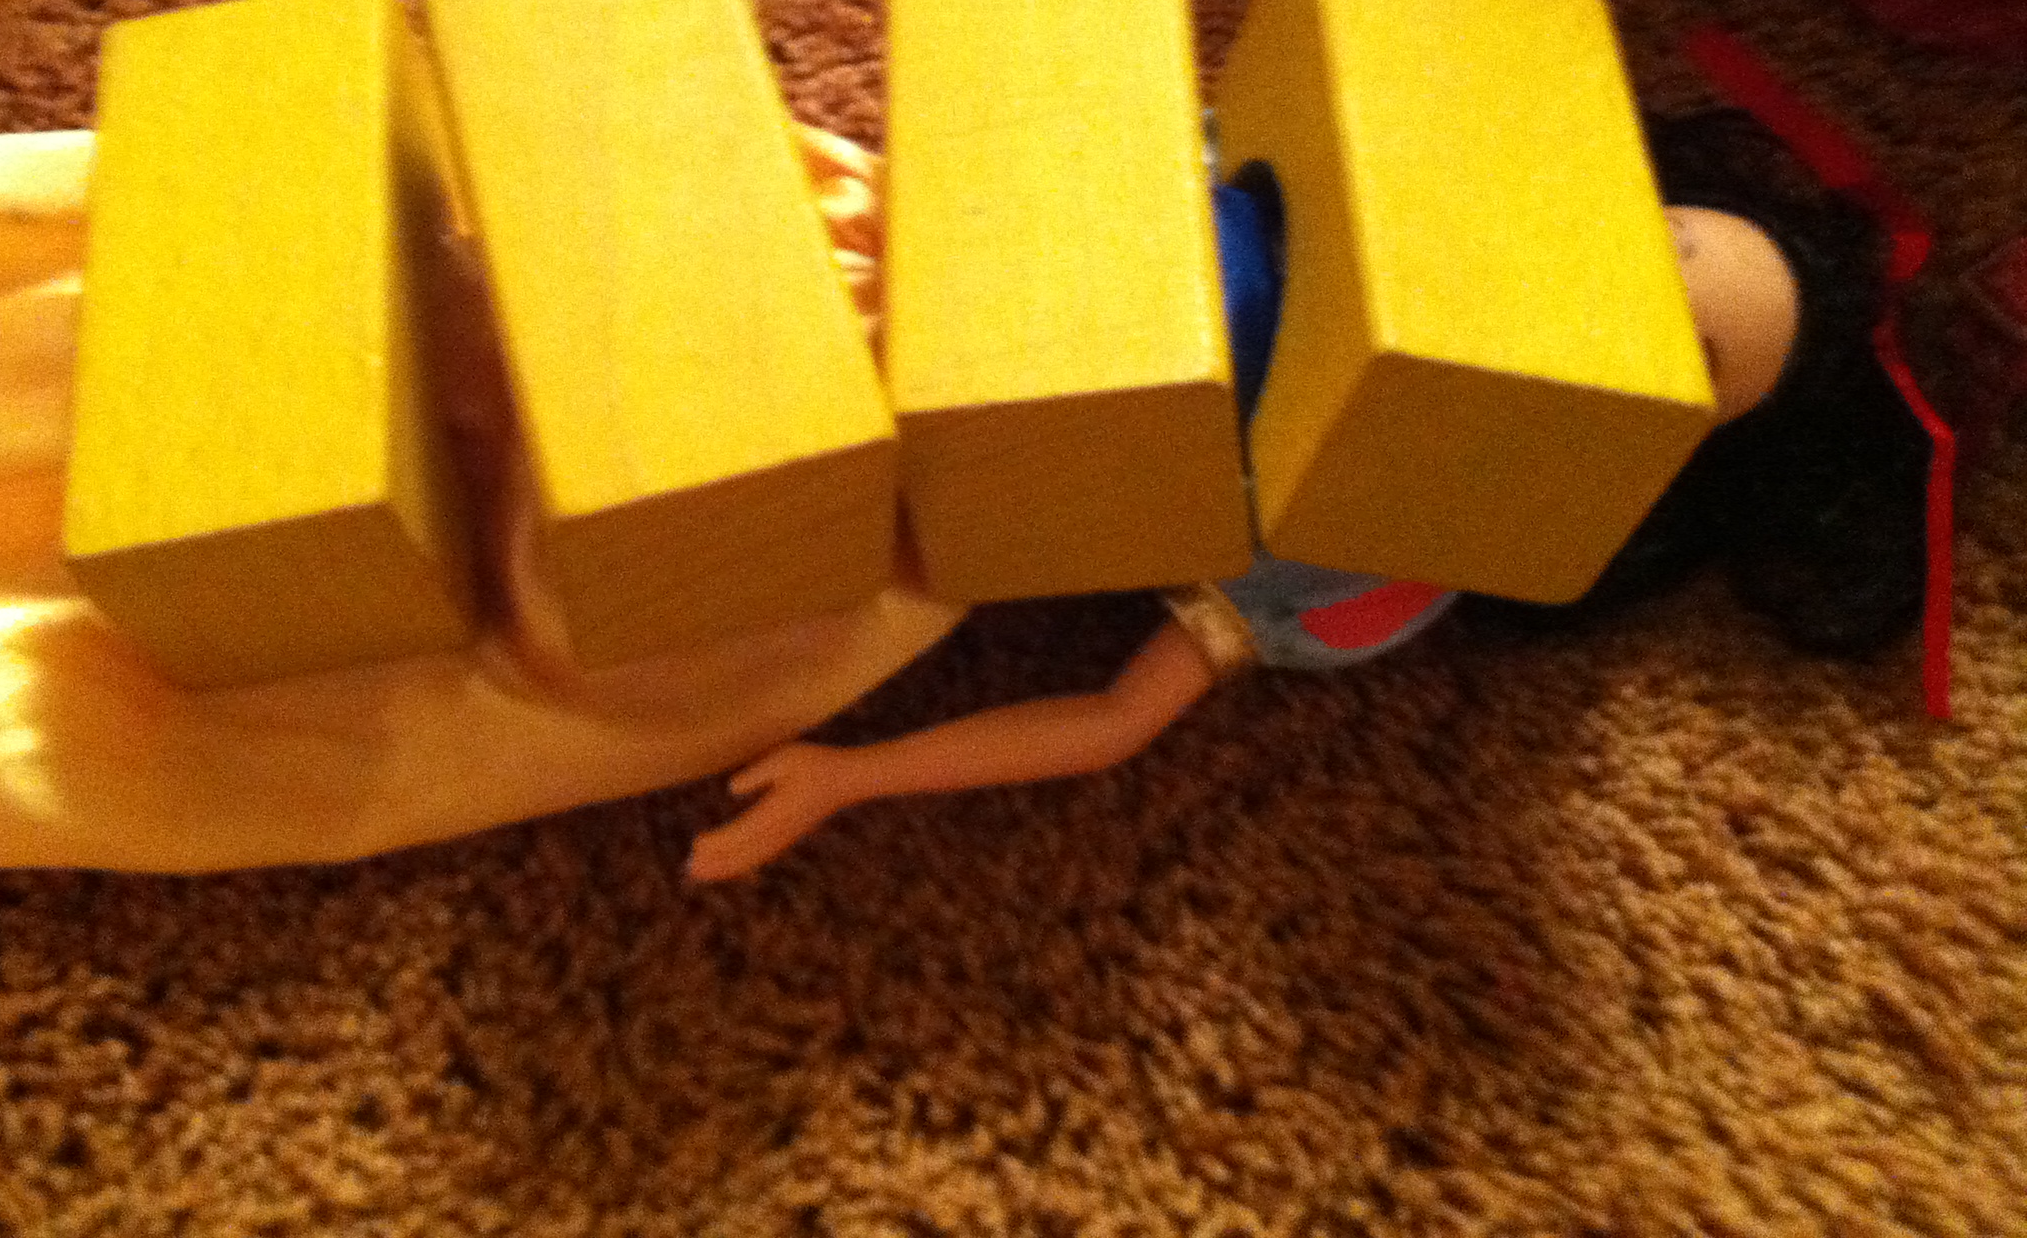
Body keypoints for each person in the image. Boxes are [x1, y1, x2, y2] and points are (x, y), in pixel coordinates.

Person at [683, 110, 1935, 882]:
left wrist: (852, 775)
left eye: (1686, 361)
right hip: (930, 245)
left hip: (931, 465)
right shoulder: (1357, 175)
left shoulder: (1383, 542)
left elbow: (1117, 718)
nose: (1625, 310)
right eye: (1662, 245)